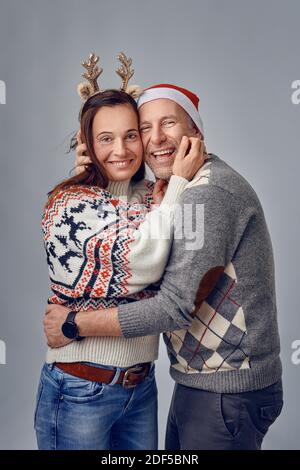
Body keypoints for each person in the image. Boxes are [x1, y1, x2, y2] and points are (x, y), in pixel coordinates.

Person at [45, 82, 283, 450]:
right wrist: (96, 175)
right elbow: (116, 224)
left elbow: (175, 305)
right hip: (201, 385)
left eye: (169, 123)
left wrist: (75, 323)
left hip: (225, 390)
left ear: (195, 132)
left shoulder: (204, 195)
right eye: (144, 128)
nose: (155, 138)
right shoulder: (173, 190)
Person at [35, 55, 205, 451]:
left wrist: (174, 180)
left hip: (141, 386)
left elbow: (184, 250)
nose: (121, 149)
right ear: (87, 144)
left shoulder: (153, 195)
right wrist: (177, 184)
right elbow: (143, 260)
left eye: (131, 135)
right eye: (105, 139)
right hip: (80, 389)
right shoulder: (67, 203)